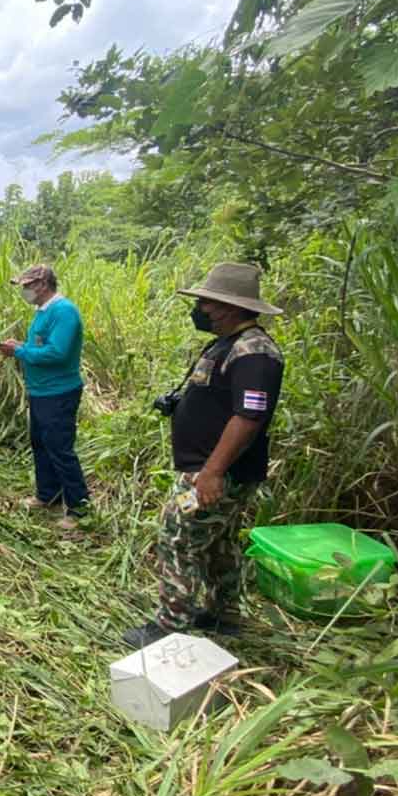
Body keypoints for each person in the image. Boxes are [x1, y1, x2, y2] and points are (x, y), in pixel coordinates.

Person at [123, 263, 285, 648]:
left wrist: (212, 472)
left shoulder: (254, 353)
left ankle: (170, 623)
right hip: (208, 469)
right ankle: (222, 614)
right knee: (217, 543)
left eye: (206, 302)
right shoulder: (228, 344)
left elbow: (249, 417)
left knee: (177, 536)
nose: (201, 309)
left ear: (228, 306)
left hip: (215, 475)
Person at [0, 264, 89, 529]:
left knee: (60, 448)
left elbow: (57, 353)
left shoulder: (64, 312)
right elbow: (42, 347)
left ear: (43, 285)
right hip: (41, 391)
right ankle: (48, 495)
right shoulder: (43, 311)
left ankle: (79, 508)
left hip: (58, 392)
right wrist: (20, 347)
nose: (24, 291)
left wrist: (20, 353)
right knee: (41, 444)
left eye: (27, 286)